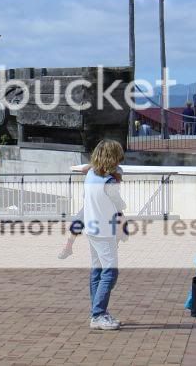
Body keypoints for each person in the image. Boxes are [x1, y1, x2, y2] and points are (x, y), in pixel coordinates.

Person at [84, 140, 124, 331]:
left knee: (97, 271)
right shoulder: (109, 182)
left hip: (91, 228)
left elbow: (90, 168)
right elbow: (119, 204)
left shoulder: (91, 174)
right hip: (105, 231)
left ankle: (97, 311)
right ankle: (98, 314)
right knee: (110, 273)